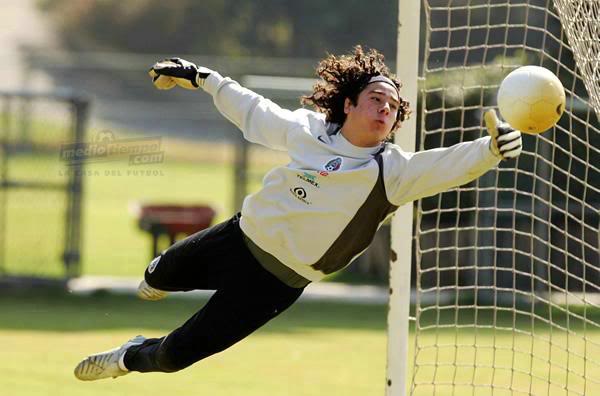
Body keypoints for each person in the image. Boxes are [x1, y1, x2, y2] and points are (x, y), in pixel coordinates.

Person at [74, 46, 522, 381]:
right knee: (156, 278)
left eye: (392, 107)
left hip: (276, 283)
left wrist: (492, 149)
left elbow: (447, 165)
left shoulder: (394, 172)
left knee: (173, 358)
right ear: (348, 104)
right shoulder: (309, 131)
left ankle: (128, 357)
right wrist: (204, 77)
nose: (385, 108)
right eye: (375, 99)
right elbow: (254, 110)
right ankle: (156, 281)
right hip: (236, 238)